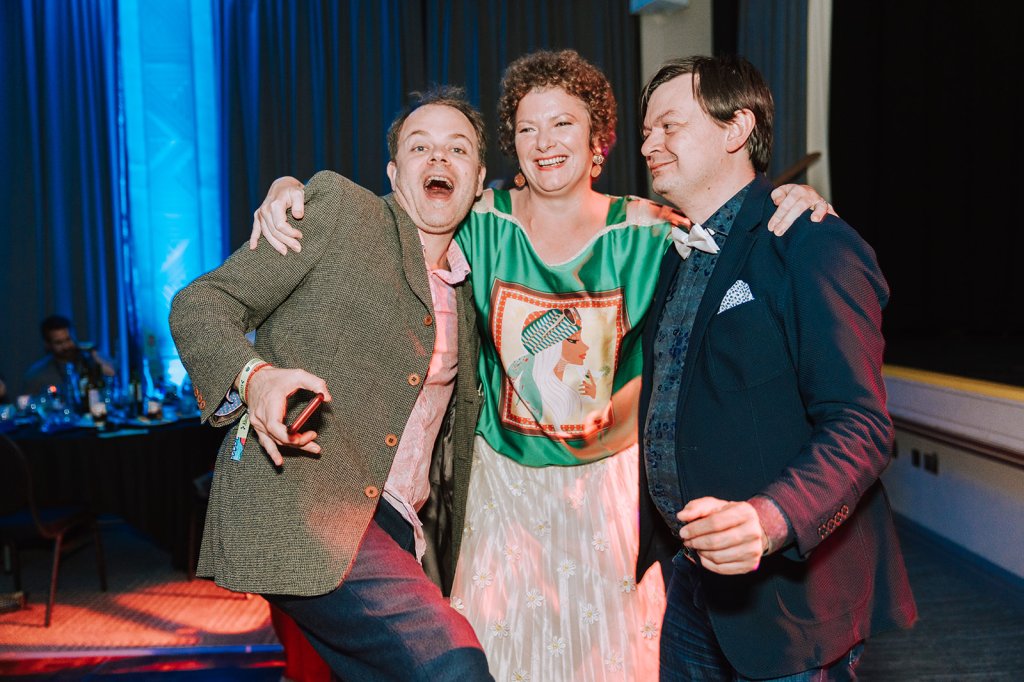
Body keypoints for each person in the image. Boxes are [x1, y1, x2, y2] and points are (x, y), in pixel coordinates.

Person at [253, 49, 831, 681]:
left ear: (597, 141)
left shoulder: (653, 233)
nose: (544, 141)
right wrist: (290, 192)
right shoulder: (477, 224)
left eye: (562, 124)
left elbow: (740, 225)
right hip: (502, 491)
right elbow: (392, 215)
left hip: (608, 496)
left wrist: (794, 199)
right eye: (528, 128)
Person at [168, 87, 494, 681]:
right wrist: (255, 378)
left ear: (478, 183)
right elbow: (201, 303)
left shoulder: (469, 283)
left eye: (458, 149)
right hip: (310, 503)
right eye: (419, 147)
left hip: (400, 524)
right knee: (454, 663)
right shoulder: (342, 212)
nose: (438, 159)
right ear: (393, 174)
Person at [636, 55, 917, 681]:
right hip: (692, 584)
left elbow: (862, 427)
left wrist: (769, 519)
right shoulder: (676, 252)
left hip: (789, 599)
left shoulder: (812, 239)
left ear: (736, 128)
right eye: (647, 131)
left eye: (669, 126)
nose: (649, 144)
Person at [21, 314, 115, 397]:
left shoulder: (90, 360)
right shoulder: (37, 375)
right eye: (59, 343)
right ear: (48, 344)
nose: (66, 346)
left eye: (68, 339)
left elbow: (112, 373)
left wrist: (92, 351)